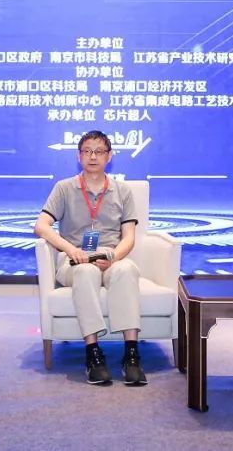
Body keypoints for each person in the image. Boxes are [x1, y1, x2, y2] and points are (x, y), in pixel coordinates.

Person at [33, 130, 147, 386]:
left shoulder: (122, 190)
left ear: (109, 156)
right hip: (74, 259)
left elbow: (129, 237)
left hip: (111, 257)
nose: (93, 156)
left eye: (99, 151)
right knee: (86, 271)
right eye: (87, 151)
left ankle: (131, 354)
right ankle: (93, 354)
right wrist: (70, 250)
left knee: (127, 270)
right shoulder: (64, 188)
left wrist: (114, 257)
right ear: (79, 156)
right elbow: (41, 226)